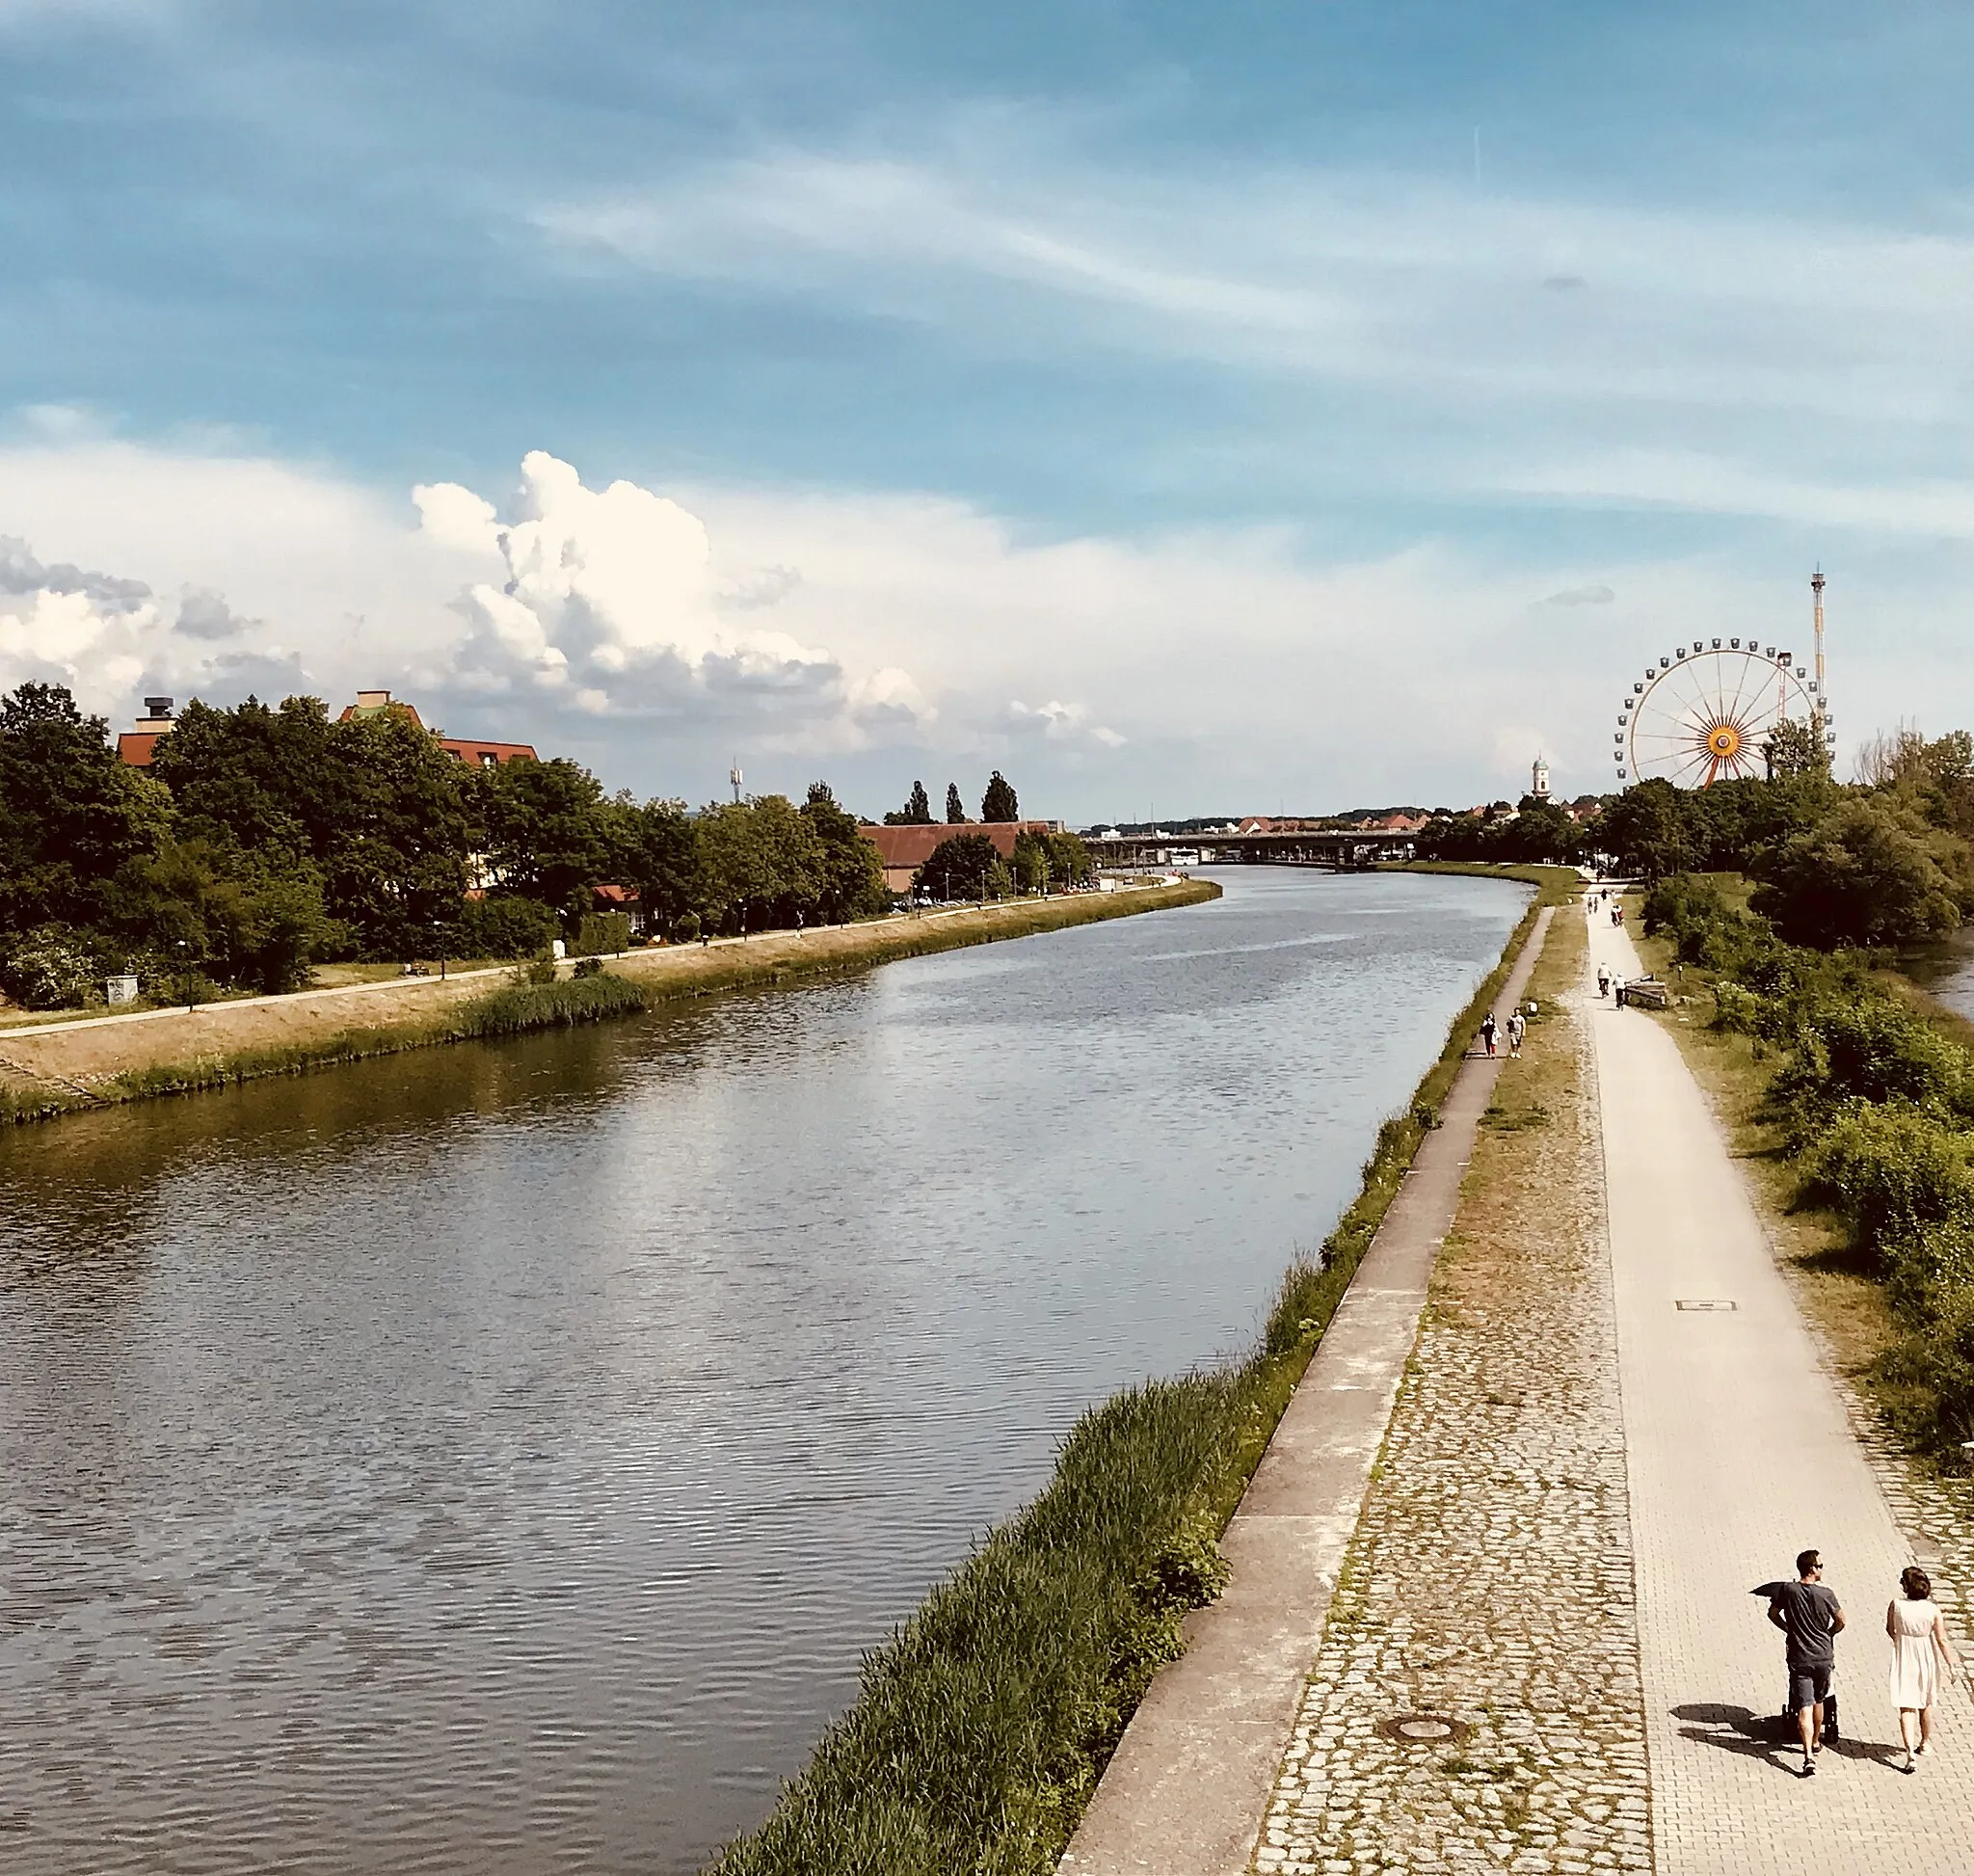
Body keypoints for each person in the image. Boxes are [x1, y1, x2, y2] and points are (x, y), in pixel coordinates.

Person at [1769, 1549, 1845, 1776]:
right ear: (1812, 1568)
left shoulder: (1788, 1590)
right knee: (1819, 1699)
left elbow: (1773, 1613)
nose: (1822, 1568)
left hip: (1799, 1656)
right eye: (1820, 1565)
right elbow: (1841, 1620)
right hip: (1823, 1655)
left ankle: (1808, 1757)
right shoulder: (1827, 1594)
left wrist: (1788, 1629)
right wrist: (1830, 1633)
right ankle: (1814, 1741)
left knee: (1804, 1705)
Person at [1887, 1565, 1961, 1771]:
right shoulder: (1932, 1609)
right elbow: (1942, 1639)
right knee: (1926, 1701)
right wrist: (1951, 1665)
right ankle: (1925, 1743)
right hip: (1926, 1656)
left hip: (1905, 1656)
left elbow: (1890, 1629)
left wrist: (1900, 1641)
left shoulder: (1896, 1605)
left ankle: (1909, 1752)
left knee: (1906, 1704)